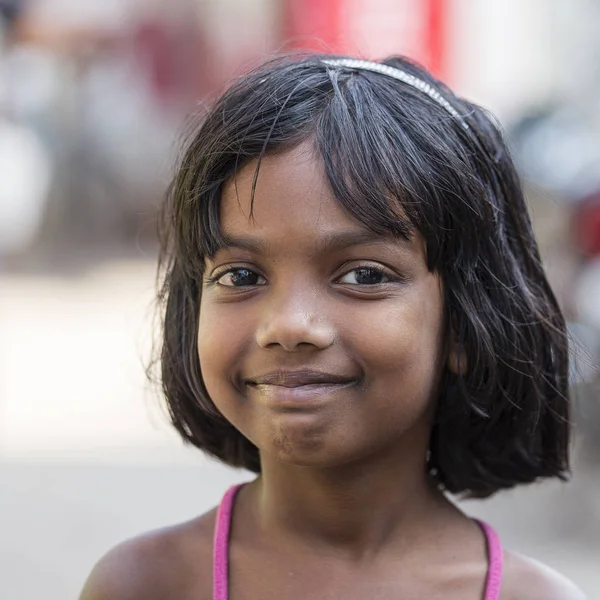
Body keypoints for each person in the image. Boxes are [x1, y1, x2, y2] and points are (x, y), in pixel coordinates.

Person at [79, 54, 585, 599]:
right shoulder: (146, 585)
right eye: (242, 275)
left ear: (463, 321)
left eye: (364, 275)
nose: (290, 325)